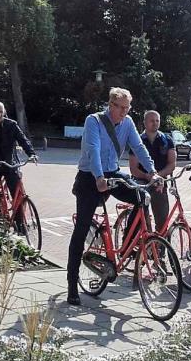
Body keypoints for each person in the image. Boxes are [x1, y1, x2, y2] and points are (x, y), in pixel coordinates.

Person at [67, 88, 158, 306]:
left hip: (113, 172)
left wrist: (153, 171)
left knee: (142, 196)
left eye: (128, 108)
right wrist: (99, 178)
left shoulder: (127, 123)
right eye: (121, 108)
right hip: (91, 176)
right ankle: (72, 285)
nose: (125, 112)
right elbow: (93, 150)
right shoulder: (94, 121)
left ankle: (128, 242)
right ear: (111, 105)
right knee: (82, 228)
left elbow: (138, 147)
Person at [128, 110, 175, 233]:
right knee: (143, 220)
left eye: (157, 120)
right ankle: (146, 245)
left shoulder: (167, 140)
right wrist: (147, 176)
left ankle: (161, 250)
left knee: (162, 221)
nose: (155, 123)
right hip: (141, 182)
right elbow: (133, 168)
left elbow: (172, 164)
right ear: (145, 122)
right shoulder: (137, 140)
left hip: (159, 182)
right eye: (151, 120)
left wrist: (156, 176)